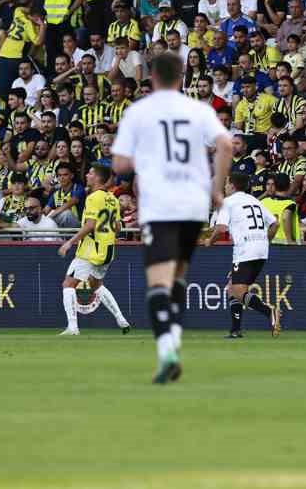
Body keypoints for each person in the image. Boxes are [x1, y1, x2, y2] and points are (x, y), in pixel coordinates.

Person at [111, 50, 232, 385]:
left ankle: (167, 351)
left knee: (159, 282)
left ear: (151, 77)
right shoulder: (199, 109)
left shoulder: (139, 111)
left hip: (160, 204)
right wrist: (217, 189)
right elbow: (226, 145)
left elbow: (120, 164)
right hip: (194, 204)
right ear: (182, 76)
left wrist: (146, 158)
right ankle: (175, 343)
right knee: (178, 276)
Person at [56, 162, 131, 336]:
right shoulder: (112, 198)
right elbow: (118, 227)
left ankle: (73, 327)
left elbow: (90, 225)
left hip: (90, 249)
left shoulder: (92, 198)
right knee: (96, 284)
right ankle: (121, 320)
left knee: (68, 284)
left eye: (90, 173)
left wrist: (70, 242)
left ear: (97, 178)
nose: (87, 175)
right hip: (107, 249)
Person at [213, 171, 283, 339]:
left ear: (232, 185)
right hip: (261, 249)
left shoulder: (228, 202)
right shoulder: (255, 201)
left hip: (246, 250)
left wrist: (209, 240)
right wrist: (266, 240)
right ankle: (235, 330)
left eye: (227, 183)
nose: (225, 186)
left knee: (237, 291)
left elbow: (221, 228)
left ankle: (270, 312)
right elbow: (275, 223)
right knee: (232, 287)